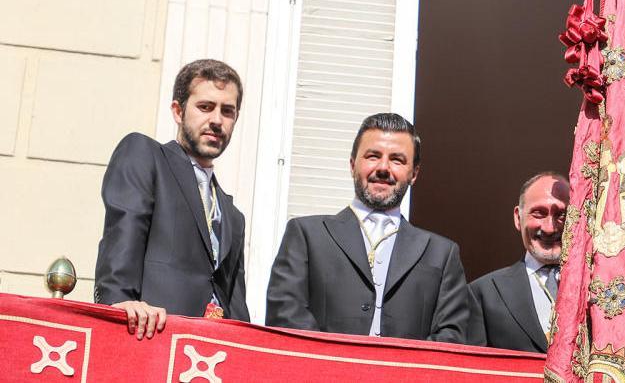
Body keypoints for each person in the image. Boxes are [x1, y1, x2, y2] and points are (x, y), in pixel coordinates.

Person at [266, 113, 472, 342]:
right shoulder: (306, 235)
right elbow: (285, 315)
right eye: (373, 156)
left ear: (414, 173)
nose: (383, 168)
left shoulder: (442, 254)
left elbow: (451, 337)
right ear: (353, 164)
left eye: (397, 160)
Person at [94, 59, 250, 339]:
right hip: (149, 337)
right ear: (178, 111)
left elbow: (236, 305)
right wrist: (116, 306)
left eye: (228, 111)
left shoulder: (233, 215)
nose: (217, 120)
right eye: (205, 107)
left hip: (212, 358)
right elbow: (123, 233)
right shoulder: (146, 156)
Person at [469, 172, 569, 352]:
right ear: (518, 217)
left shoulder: (597, 287)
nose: (549, 228)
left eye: (561, 215)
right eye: (538, 213)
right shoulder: (483, 293)